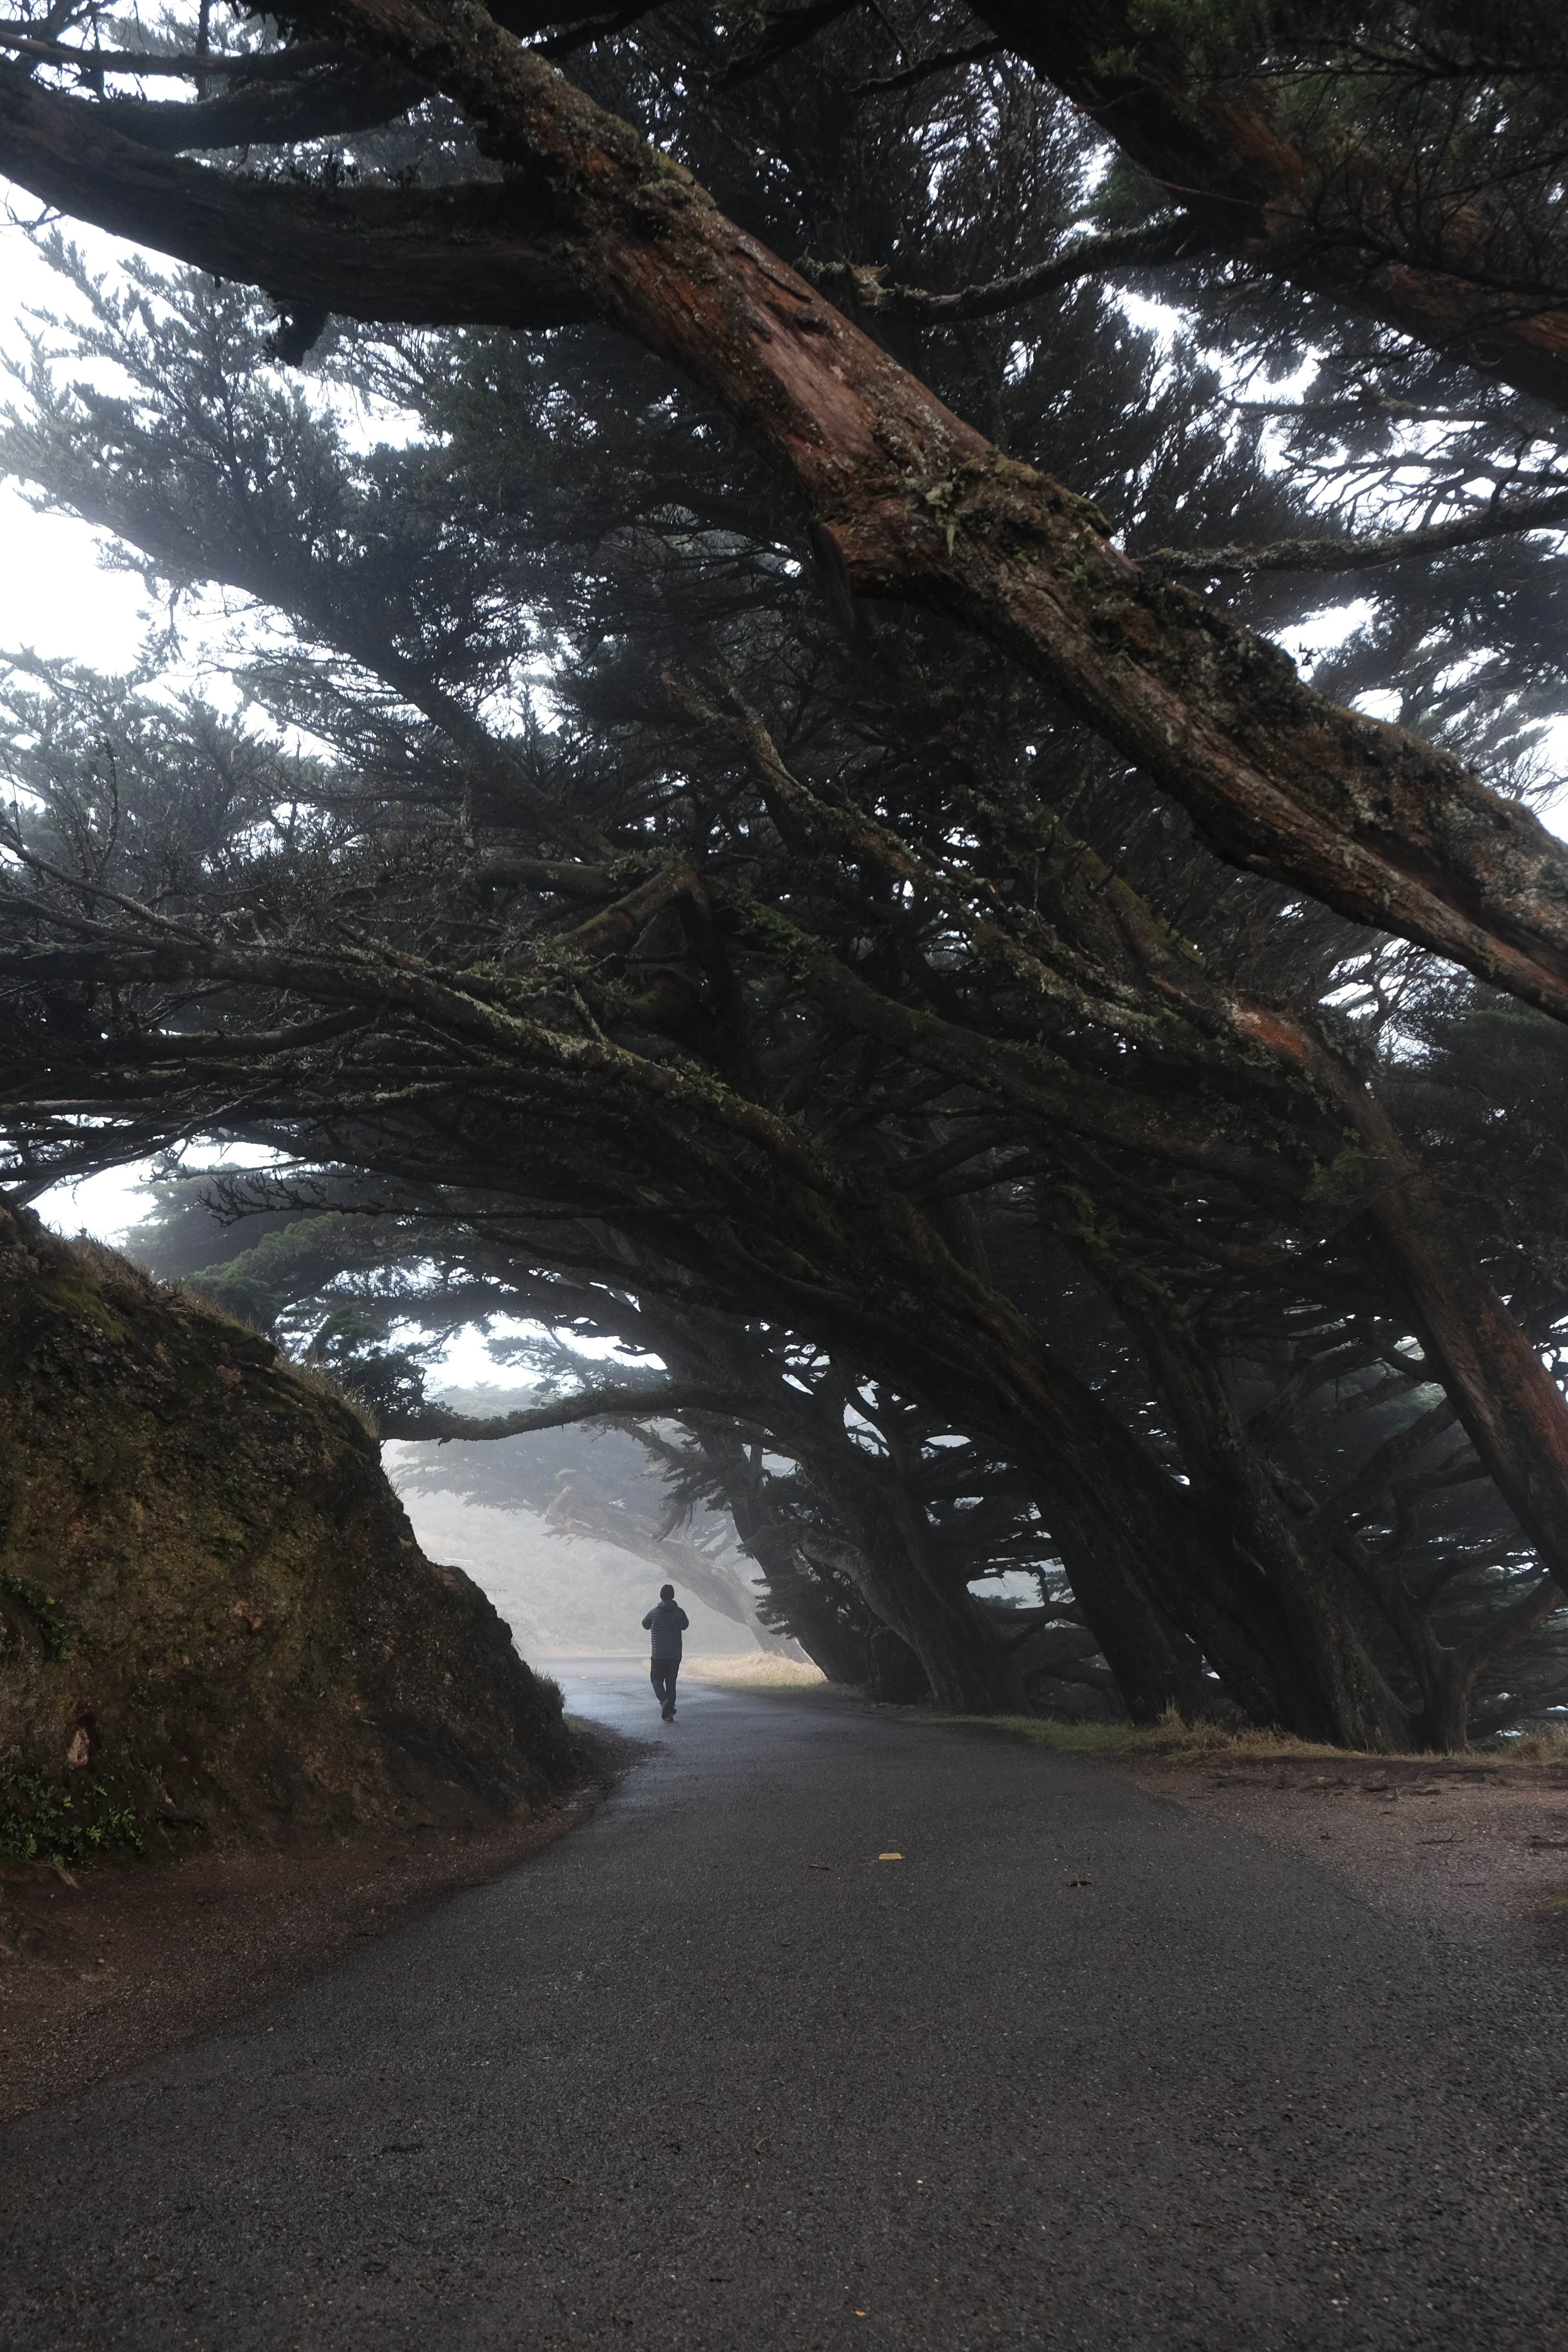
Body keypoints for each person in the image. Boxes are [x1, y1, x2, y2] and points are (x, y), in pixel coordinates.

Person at [642, 1582, 689, 1720]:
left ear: (661, 1596)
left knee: (656, 1679)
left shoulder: (654, 1612)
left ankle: (664, 1701)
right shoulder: (679, 1612)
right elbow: (685, 1625)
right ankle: (668, 1712)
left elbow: (645, 1624)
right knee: (671, 1682)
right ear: (673, 1596)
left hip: (658, 1654)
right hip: (675, 1654)